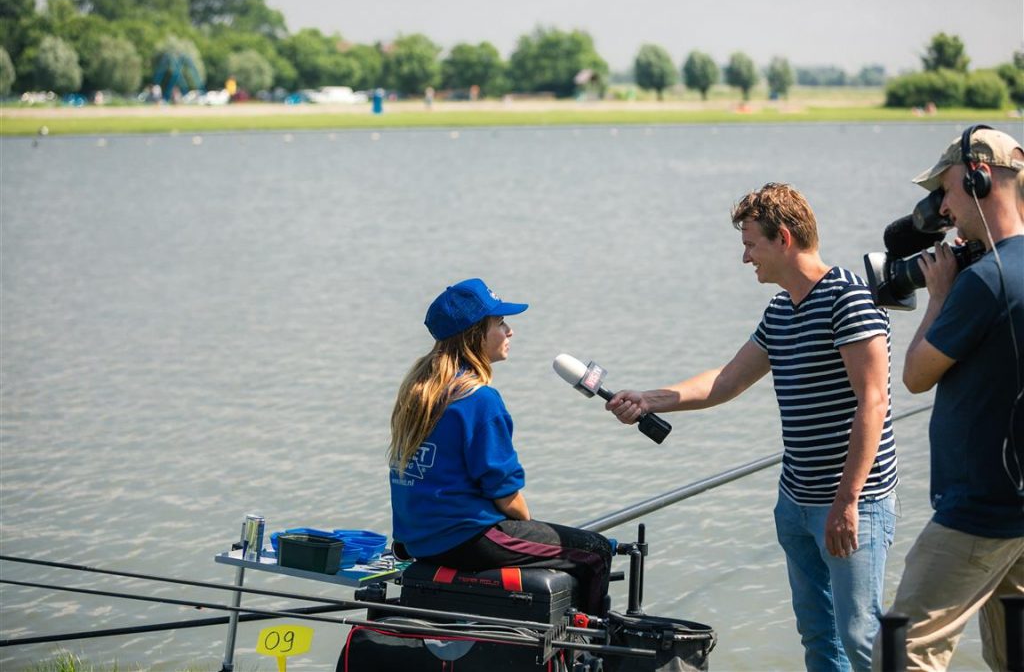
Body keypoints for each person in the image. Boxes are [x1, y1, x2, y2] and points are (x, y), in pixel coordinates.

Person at [607, 183, 898, 672]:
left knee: (860, 636)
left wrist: (847, 502)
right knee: (818, 636)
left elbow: (873, 403)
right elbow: (725, 381)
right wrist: (649, 398)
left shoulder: (849, 298)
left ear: (783, 238)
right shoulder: (781, 311)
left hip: (853, 504)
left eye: (750, 244)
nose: (746, 258)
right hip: (796, 500)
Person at [873, 126, 1024, 671]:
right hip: (1018, 511)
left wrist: (938, 295)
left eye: (946, 191)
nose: (942, 208)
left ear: (977, 178)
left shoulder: (986, 281)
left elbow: (916, 375)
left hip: (978, 513)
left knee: (903, 651)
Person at [388, 278, 614, 615]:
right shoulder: (480, 399)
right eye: (500, 323)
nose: (510, 332)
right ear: (475, 334)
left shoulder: (420, 389)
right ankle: (593, 653)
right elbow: (506, 496)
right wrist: (529, 527)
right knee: (595, 552)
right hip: (464, 538)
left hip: (418, 541)